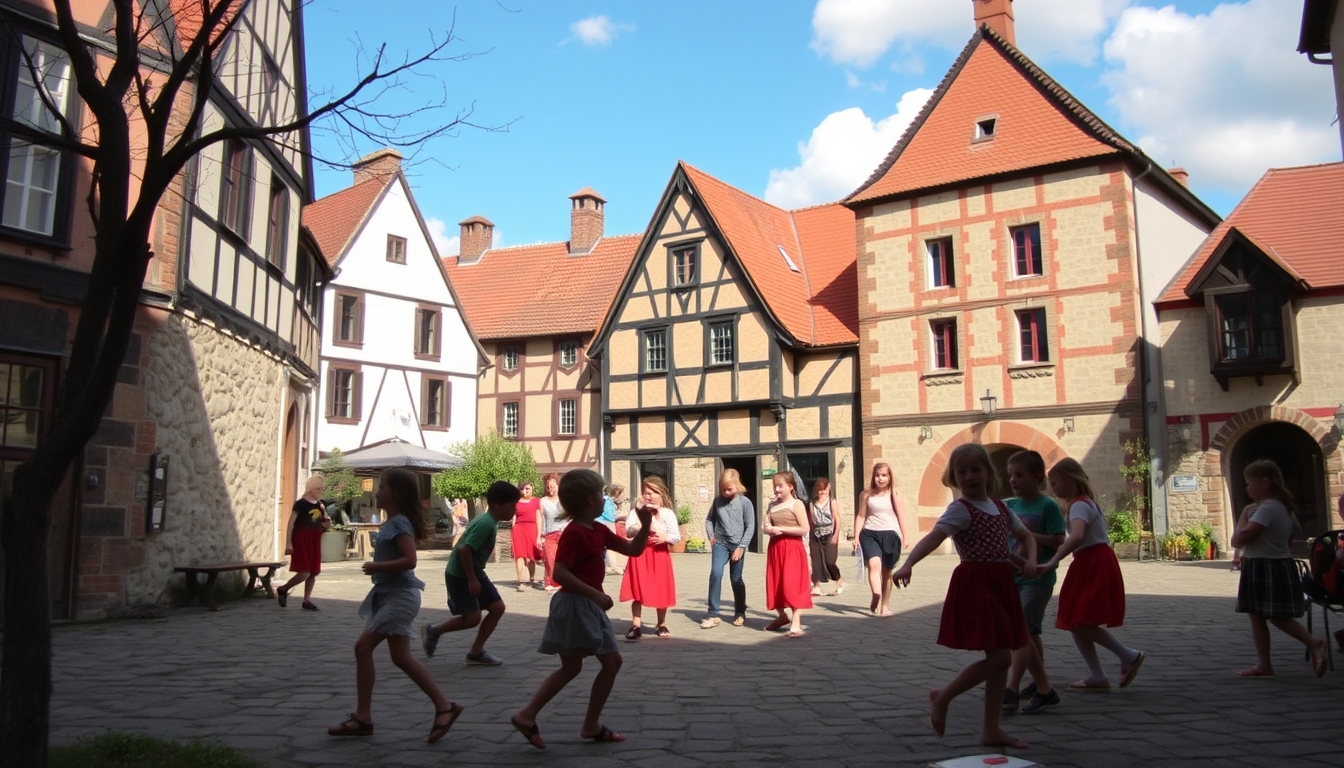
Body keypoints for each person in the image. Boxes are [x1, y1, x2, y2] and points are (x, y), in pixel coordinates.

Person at [892, 443, 1036, 750]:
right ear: (953, 477)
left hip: (1001, 584)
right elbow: (934, 538)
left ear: (988, 472)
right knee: (1000, 657)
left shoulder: (1000, 507)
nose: (969, 476)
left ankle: (991, 728)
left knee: (1000, 659)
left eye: (976, 469)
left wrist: (1027, 559)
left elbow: (1024, 537)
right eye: (962, 472)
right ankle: (943, 695)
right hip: (977, 586)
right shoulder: (960, 509)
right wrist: (908, 563)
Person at [509, 469, 657, 750]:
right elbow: (560, 573)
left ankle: (584, 723)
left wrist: (647, 524)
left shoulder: (598, 529)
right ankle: (529, 715)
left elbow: (633, 550)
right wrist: (594, 594)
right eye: (601, 494)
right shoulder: (574, 533)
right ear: (591, 500)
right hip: (575, 604)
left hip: (588, 604)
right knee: (573, 667)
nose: (605, 498)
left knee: (603, 664)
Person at [327, 468, 462, 744]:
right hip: (391, 595)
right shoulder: (393, 522)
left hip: (400, 596)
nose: (377, 492)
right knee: (401, 657)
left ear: (397, 494)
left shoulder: (399, 523)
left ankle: (363, 717)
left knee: (362, 648)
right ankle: (444, 706)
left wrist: (378, 565)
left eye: (382, 487)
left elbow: (410, 560)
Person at [1040, 458, 1146, 691]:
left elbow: (1077, 536)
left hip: (1091, 562)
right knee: (1075, 620)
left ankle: (1127, 655)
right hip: (1091, 560)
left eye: (1055, 482)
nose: (1053, 488)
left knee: (1079, 619)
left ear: (1070, 479)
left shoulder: (1079, 505)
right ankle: (1097, 674)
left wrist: (1054, 559)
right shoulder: (1086, 503)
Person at [1229, 458, 1327, 678]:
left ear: (1264, 482)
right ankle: (1264, 664)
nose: (1247, 487)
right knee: (1257, 616)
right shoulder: (1280, 506)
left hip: (1267, 566)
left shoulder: (1269, 507)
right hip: (1266, 563)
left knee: (1276, 616)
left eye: (1249, 482)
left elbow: (1239, 539)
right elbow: (1290, 539)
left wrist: (1244, 516)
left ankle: (1314, 642)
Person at [422, 480, 521, 666]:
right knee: (472, 618)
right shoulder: (485, 524)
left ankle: (476, 652)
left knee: (497, 608)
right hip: (460, 574)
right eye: (512, 505)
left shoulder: (491, 521)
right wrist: (472, 579)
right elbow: (464, 550)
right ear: (497, 504)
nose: (514, 510)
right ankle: (434, 630)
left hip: (473, 572)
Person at [1002, 451, 1064, 715]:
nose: (1013, 481)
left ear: (1037, 477)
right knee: (1030, 632)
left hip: (1038, 578)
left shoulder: (1047, 506)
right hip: (1013, 576)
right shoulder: (1010, 506)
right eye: (1010, 476)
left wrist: (1029, 537)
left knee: (1021, 630)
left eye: (1019, 475)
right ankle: (1042, 686)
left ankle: (1011, 688)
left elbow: (1058, 539)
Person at [619, 476, 679, 639]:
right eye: (646, 492)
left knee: (661, 589)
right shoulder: (635, 512)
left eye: (653, 492)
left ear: (661, 494)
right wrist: (642, 526)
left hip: (659, 555)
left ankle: (661, 623)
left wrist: (664, 537)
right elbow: (628, 532)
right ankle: (636, 625)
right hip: (640, 554)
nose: (649, 496)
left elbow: (676, 536)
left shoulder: (667, 513)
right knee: (637, 590)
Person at [700, 468, 755, 629]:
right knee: (716, 573)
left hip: (738, 545)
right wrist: (711, 535)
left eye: (729, 489)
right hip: (721, 544)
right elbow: (709, 519)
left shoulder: (745, 503)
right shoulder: (717, 501)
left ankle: (740, 611)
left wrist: (742, 547)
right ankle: (713, 613)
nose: (726, 492)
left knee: (736, 579)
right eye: (723, 489)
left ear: (737, 486)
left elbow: (750, 526)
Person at [854, 462, 909, 616]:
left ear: (890, 477)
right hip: (870, 533)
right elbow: (861, 516)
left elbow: (902, 516)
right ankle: (876, 594)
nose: (880, 479)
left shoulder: (895, 495)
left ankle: (885, 605)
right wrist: (856, 536)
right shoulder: (866, 495)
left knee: (887, 572)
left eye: (884, 475)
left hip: (890, 535)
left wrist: (906, 537)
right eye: (877, 475)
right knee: (874, 565)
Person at [763, 471, 812, 637]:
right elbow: (766, 526)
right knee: (776, 583)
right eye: (775, 486)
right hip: (775, 548)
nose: (777, 490)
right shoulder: (772, 505)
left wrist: (782, 529)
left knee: (791, 584)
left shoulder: (797, 504)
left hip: (792, 548)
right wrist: (768, 528)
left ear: (790, 487)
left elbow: (804, 528)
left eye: (780, 486)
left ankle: (796, 622)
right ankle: (782, 617)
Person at [278, 475, 331, 610]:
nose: (320, 491)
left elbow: (326, 525)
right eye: (317, 488)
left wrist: (324, 512)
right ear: (310, 489)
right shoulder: (301, 503)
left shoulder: (321, 504)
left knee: (313, 571)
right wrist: (288, 543)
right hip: (301, 537)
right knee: (305, 571)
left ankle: (307, 600)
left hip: (315, 538)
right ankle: (284, 588)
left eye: (321, 488)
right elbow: (291, 523)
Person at [809, 477, 844, 597]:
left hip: (829, 532)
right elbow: (812, 520)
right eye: (821, 490)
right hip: (816, 534)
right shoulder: (812, 503)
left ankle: (839, 580)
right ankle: (817, 586)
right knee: (816, 562)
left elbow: (837, 519)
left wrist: (835, 535)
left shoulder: (832, 502)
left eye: (825, 490)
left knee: (830, 561)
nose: (823, 493)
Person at [512, 481, 542, 591]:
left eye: (527, 488)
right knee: (519, 555)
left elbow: (539, 519)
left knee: (531, 555)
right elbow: (514, 517)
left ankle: (532, 579)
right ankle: (521, 581)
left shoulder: (537, 502)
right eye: (522, 489)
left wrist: (539, 535)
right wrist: (513, 530)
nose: (525, 491)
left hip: (532, 528)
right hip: (519, 528)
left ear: (532, 488)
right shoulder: (515, 502)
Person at [539, 473, 567, 592]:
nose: (549, 488)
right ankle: (550, 582)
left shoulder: (565, 500)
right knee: (550, 560)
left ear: (558, 485)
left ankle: (562, 582)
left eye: (552, 485)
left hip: (564, 534)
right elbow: (540, 518)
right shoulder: (543, 501)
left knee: (563, 560)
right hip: (549, 534)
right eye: (547, 486)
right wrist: (540, 536)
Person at [607, 484, 629, 575]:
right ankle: (613, 566)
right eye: (622, 493)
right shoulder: (609, 503)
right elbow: (609, 516)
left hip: (623, 526)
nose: (624, 495)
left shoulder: (623, 503)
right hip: (614, 526)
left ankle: (620, 566)